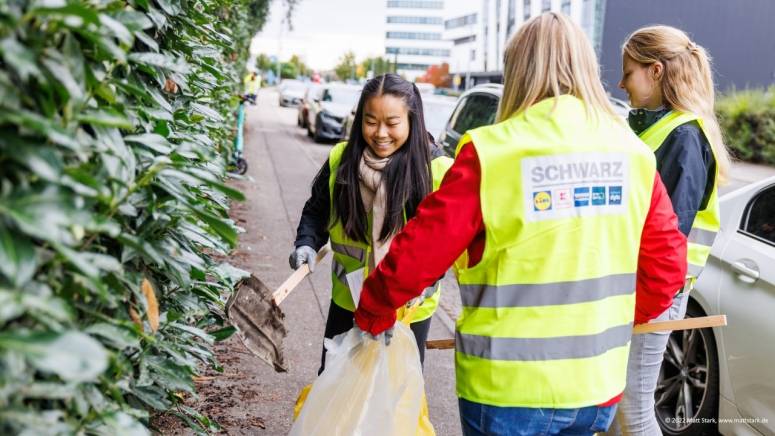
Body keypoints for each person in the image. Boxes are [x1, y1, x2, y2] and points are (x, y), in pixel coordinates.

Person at [352, 13, 688, 436]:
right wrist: (613, 323)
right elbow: (667, 268)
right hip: (596, 387)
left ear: (518, 72)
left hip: (506, 388)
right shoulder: (633, 153)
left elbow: (421, 251)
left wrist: (374, 308)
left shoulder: (494, 153)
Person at [606, 25, 731, 436]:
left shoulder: (683, 136)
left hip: (657, 293)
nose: (621, 82)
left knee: (635, 410)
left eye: (628, 72)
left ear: (655, 70)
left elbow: (667, 235)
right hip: (641, 289)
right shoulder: (656, 128)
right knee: (618, 406)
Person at [289, 73, 453, 373]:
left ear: (412, 121)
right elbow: (317, 211)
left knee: (393, 401)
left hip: (407, 313)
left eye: (392, 123)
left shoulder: (436, 171)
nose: (380, 133)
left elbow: (444, 247)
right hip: (347, 303)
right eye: (370, 121)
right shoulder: (342, 159)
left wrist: (402, 300)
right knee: (336, 391)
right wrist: (306, 243)